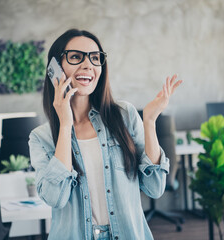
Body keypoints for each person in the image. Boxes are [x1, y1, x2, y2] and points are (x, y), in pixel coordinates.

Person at [29, 29, 182, 240]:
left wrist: (149, 122)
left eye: (95, 58)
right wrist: (65, 125)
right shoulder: (41, 137)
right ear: (55, 68)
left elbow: (155, 188)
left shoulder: (125, 116)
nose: (88, 65)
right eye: (75, 57)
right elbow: (56, 198)